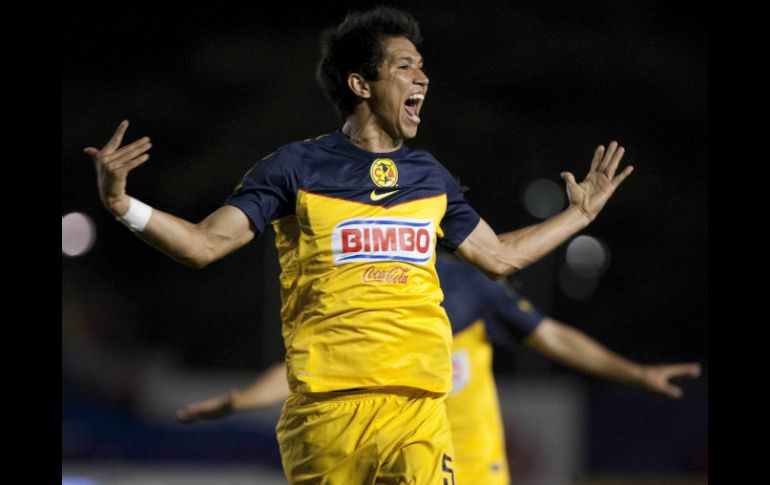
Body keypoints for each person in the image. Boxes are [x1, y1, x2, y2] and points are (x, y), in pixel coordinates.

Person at [84, 7, 633, 484]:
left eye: (421, 65)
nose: (422, 76)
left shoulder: (430, 175)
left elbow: (500, 256)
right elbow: (203, 245)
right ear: (360, 84)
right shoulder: (295, 168)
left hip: (417, 411)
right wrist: (121, 206)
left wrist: (578, 215)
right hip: (325, 417)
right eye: (404, 65)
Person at [176, 253, 701, 484]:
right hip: (391, 463)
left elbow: (553, 336)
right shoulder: (365, 294)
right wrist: (238, 400)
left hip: (470, 466)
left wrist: (634, 373)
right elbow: (308, 369)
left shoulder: (470, 285)